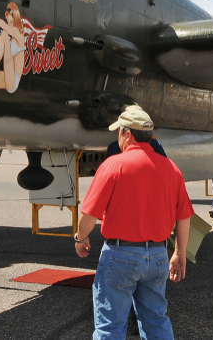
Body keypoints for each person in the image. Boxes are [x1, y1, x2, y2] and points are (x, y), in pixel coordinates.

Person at [76, 106, 193, 340]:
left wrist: (80, 239)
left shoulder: (113, 165)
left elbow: (89, 215)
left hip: (120, 255)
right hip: (158, 256)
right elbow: (184, 216)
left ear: (127, 134)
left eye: (118, 132)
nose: (117, 137)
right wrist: (179, 253)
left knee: (110, 328)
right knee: (156, 322)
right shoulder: (172, 169)